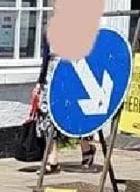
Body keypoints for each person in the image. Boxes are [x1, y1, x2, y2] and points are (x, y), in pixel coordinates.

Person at [32, 32, 96, 175]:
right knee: (46, 116)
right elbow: (46, 58)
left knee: (77, 114)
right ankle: (53, 160)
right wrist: (40, 82)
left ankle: (87, 148)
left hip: (73, 76)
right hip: (51, 78)